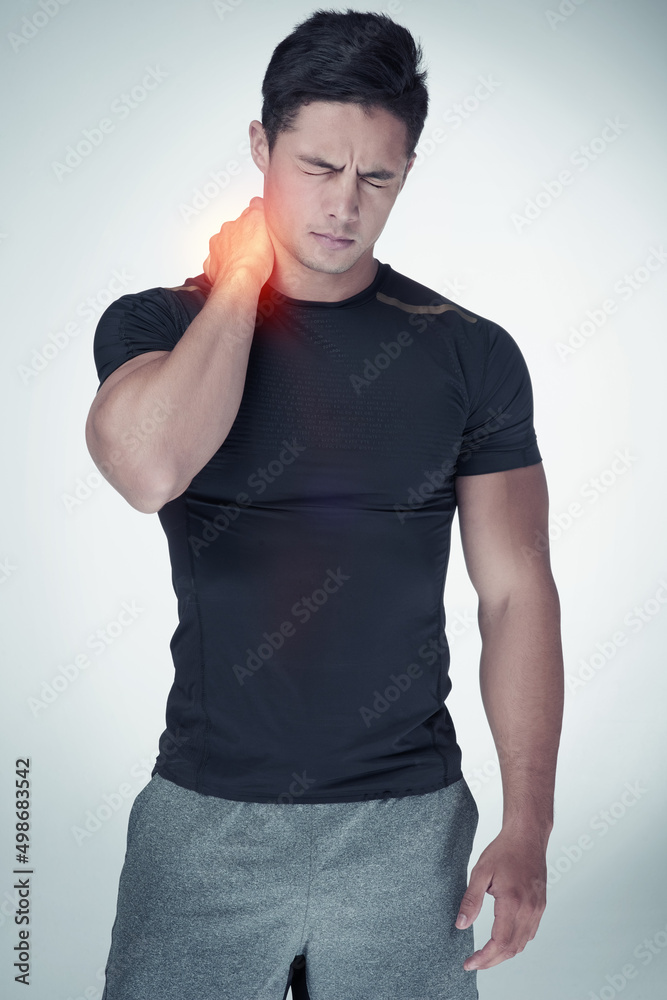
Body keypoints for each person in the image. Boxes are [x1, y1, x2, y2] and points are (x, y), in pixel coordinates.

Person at [85, 9, 564, 1000]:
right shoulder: (157, 325)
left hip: (408, 828)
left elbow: (516, 592)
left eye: (376, 177)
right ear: (261, 147)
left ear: (405, 174)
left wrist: (527, 827)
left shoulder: (468, 353)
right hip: (205, 820)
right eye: (316, 167)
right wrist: (242, 283)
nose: (344, 204)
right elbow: (149, 468)